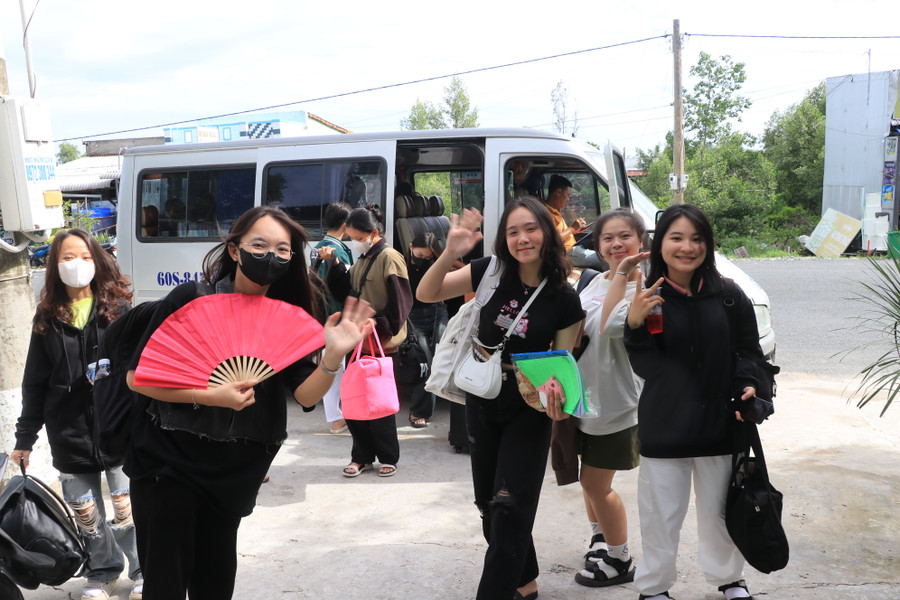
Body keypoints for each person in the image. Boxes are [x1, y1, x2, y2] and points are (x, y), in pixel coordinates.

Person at [124, 205, 375, 599]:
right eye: (259, 245)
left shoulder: (287, 318)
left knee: (216, 585)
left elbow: (305, 395)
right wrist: (209, 396)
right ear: (235, 250)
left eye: (282, 249)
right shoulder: (191, 298)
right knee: (165, 586)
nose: (270, 256)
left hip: (233, 473)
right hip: (167, 464)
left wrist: (332, 358)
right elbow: (137, 378)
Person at [416, 197, 585, 600]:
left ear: (547, 232)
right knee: (488, 503)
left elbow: (561, 364)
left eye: (531, 229)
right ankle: (525, 579)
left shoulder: (565, 297)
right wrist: (449, 254)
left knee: (510, 505)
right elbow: (426, 293)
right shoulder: (489, 271)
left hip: (529, 403)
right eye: (513, 231)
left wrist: (558, 398)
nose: (522, 238)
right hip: (483, 393)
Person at [623, 204, 764, 600]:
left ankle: (729, 578)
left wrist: (748, 383)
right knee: (660, 516)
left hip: (721, 425)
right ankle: (654, 587)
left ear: (708, 244)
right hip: (664, 428)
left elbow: (749, 351)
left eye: (697, 239)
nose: (688, 247)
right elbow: (648, 368)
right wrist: (635, 324)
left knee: (720, 511)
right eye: (677, 238)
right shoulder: (649, 298)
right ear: (660, 245)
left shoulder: (729, 295)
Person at [10, 228, 143, 600]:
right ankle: (102, 572)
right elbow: (35, 382)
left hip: (118, 430)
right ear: (55, 265)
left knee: (126, 509)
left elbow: (140, 370)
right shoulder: (48, 317)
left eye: (84, 257)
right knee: (87, 515)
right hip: (68, 433)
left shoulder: (119, 309)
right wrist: (24, 438)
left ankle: (142, 568)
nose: (77, 265)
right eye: (67, 258)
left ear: (97, 260)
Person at [569, 208, 647, 588]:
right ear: (598, 246)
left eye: (625, 236)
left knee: (596, 483)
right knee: (588, 481)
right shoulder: (592, 281)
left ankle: (620, 558)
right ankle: (600, 539)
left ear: (641, 241)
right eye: (608, 238)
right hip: (584, 397)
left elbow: (611, 325)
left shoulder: (645, 289)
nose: (617, 244)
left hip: (616, 402)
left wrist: (622, 274)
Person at [326, 204, 412, 478]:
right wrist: (335, 265)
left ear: (374, 233)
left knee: (379, 403)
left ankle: (388, 457)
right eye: (351, 237)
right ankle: (360, 457)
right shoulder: (362, 259)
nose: (355, 242)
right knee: (354, 401)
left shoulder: (390, 257)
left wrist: (381, 324)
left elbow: (402, 303)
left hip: (381, 344)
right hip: (356, 342)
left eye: (358, 237)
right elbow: (347, 291)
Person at [313, 201, 354, 434]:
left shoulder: (321, 245)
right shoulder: (334, 250)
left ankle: (338, 415)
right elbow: (340, 286)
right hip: (335, 314)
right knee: (334, 368)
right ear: (345, 225)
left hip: (327, 314)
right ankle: (336, 419)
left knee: (335, 366)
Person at [403, 232, 450, 427]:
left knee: (441, 358)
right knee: (426, 363)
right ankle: (418, 411)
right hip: (414, 317)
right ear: (411, 247)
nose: (423, 259)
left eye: (428, 256)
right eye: (420, 255)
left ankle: (423, 407)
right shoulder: (402, 265)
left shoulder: (435, 264)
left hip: (437, 312)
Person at [543, 175, 586, 253]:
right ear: (558, 192)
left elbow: (561, 233)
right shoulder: (545, 213)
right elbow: (553, 240)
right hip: (566, 253)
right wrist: (572, 228)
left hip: (574, 249)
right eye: (568, 195)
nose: (568, 199)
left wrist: (576, 229)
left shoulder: (556, 211)